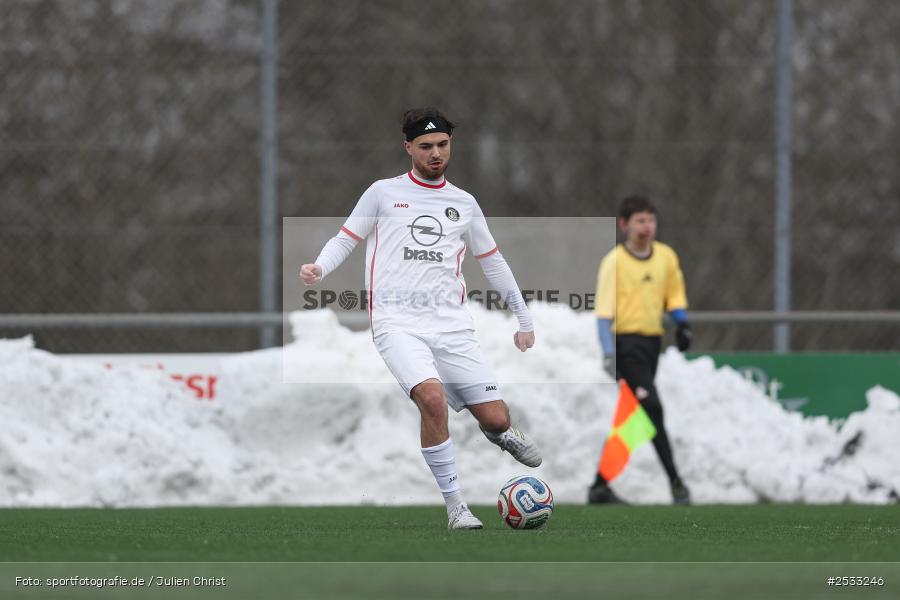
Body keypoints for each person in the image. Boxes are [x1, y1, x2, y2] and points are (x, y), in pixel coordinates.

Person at [299, 107, 541, 530]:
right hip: (397, 324)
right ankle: (456, 507)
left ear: (451, 145)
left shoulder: (464, 203)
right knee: (431, 399)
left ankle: (500, 432)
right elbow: (346, 237)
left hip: (452, 326)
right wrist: (321, 266)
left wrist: (523, 319)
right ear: (408, 147)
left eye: (442, 145)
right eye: (426, 146)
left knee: (495, 417)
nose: (435, 153)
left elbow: (493, 261)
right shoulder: (382, 193)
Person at [588, 195, 693, 505]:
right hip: (626, 346)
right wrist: (608, 353)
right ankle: (676, 481)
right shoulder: (614, 262)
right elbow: (603, 314)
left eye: (651, 220)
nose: (647, 226)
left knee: (633, 419)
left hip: (651, 346)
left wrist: (682, 324)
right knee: (653, 409)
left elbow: (674, 295)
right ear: (624, 225)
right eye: (640, 221)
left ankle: (600, 486)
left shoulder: (666, 257)